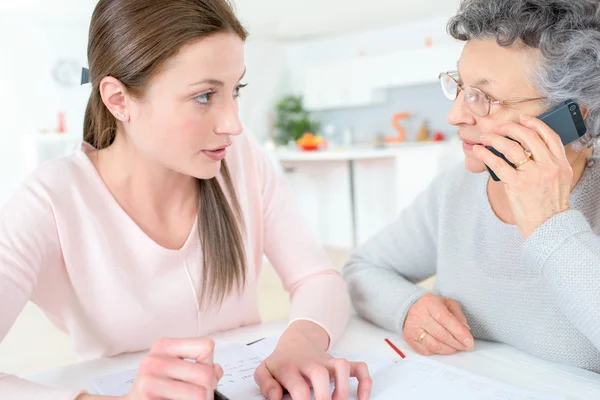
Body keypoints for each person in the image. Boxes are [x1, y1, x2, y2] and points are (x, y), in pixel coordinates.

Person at [0, 0, 373, 399]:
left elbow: (316, 277)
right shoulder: (51, 199)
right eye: (204, 96)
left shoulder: (240, 159)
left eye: (236, 90)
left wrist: (302, 342)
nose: (233, 124)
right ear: (119, 100)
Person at [343, 0, 600, 373]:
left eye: (485, 97)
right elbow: (362, 268)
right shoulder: (455, 190)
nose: (455, 116)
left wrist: (550, 220)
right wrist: (408, 307)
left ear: (574, 112)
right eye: (461, 87)